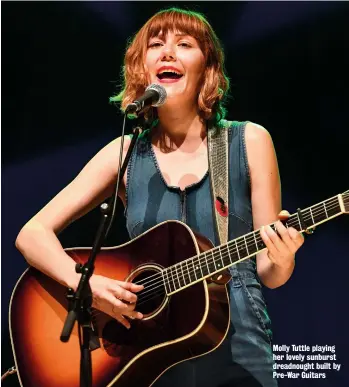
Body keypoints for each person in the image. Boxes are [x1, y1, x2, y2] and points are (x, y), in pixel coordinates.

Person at [15, 7, 304, 387]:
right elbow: (31, 233)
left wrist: (283, 258)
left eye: (184, 44)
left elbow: (270, 271)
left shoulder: (248, 141)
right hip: (147, 360)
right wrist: (88, 285)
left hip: (239, 353)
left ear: (207, 68)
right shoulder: (124, 152)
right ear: (142, 67)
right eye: (156, 45)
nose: (168, 52)